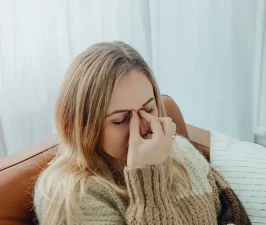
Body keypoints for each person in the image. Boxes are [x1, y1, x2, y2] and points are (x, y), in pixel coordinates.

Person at [33, 41, 251, 225]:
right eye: (121, 119)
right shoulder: (69, 197)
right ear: (83, 126)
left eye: (148, 110)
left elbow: (230, 211)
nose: (143, 127)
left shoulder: (180, 150)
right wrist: (147, 176)